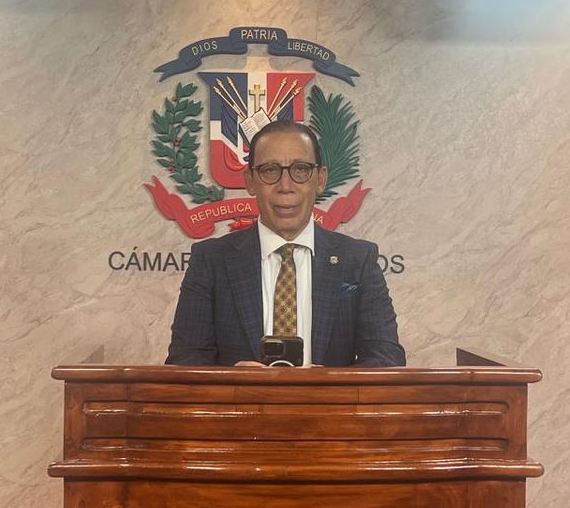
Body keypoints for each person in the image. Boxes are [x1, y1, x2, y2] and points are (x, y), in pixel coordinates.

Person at [165, 120, 405, 367]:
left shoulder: (358, 259)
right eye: (270, 170)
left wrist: (327, 383)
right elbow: (185, 360)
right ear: (250, 181)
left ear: (320, 179)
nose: (286, 186)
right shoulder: (211, 260)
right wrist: (234, 381)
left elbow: (386, 358)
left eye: (301, 169)